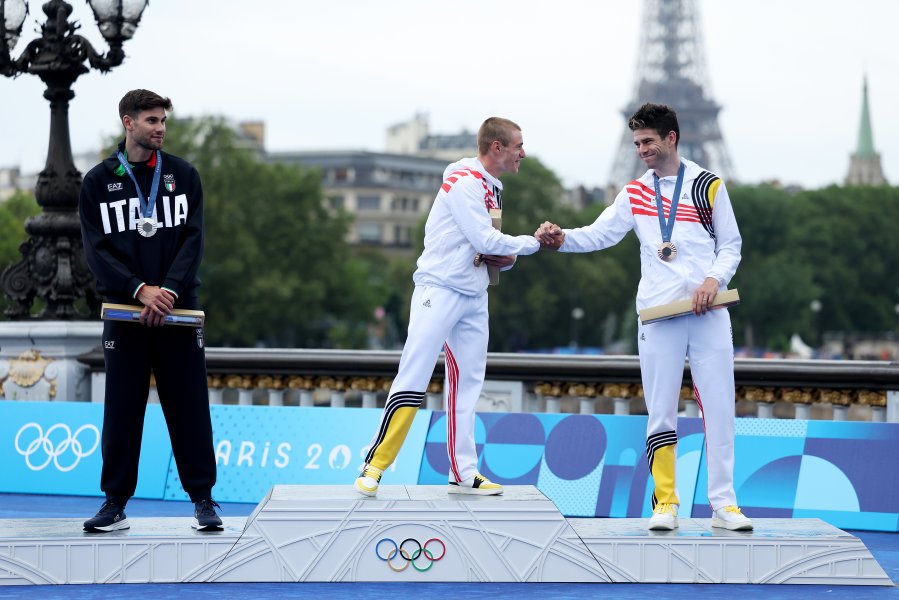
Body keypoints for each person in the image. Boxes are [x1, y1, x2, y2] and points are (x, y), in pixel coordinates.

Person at [537, 103, 752, 531]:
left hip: (708, 311)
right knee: (660, 411)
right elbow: (600, 234)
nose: (642, 150)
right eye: (636, 143)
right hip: (657, 315)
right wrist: (562, 239)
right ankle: (665, 503)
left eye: (648, 141)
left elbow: (731, 244)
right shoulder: (634, 192)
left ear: (671, 137)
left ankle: (724, 504)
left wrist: (714, 279)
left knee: (720, 408)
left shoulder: (709, 186)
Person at [355, 117, 541, 497]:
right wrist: (534, 244)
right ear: (496, 148)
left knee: (468, 383)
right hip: (438, 290)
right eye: (518, 146)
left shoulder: (493, 185)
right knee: (414, 373)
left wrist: (509, 257)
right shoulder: (464, 181)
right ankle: (374, 464)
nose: (523, 152)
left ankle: (463, 470)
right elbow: (484, 236)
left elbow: (487, 246)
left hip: (473, 294)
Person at [79, 89, 221, 532]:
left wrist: (168, 292)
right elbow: (96, 250)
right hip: (126, 312)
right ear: (128, 122)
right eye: (152, 120)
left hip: (178, 312)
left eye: (163, 121)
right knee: (122, 409)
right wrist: (140, 290)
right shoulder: (98, 182)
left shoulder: (184, 175)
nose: (160, 128)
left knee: (189, 406)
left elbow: (192, 241)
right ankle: (115, 504)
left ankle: (203, 501)